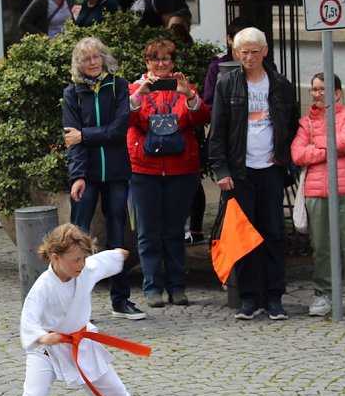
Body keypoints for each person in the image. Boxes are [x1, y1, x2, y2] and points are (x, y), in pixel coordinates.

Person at [0, 224, 159, 396]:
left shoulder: (85, 270)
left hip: (81, 343)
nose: (81, 264)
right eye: (76, 259)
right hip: (46, 350)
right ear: (55, 257)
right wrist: (42, 338)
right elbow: (28, 321)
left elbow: (100, 262)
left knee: (116, 392)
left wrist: (118, 255)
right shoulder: (42, 288)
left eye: (83, 258)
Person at [208, 27, 299, 321]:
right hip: (240, 172)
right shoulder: (227, 84)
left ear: (265, 52)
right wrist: (221, 169)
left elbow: (292, 127)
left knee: (273, 234)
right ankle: (248, 298)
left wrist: (284, 160)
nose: (248, 57)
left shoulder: (281, 85)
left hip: (270, 170)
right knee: (243, 237)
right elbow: (218, 130)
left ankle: (274, 297)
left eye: (254, 52)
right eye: (243, 52)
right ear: (236, 53)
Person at [63, 37, 143, 320]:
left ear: (104, 58)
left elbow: (119, 129)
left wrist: (85, 134)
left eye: (97, 56)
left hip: (118, 173)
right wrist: (78, 176)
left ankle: (120, 300)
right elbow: (72, 141)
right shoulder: (72, 92)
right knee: (77, 238)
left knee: (117, 235)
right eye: (86, 59)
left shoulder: (119, 85)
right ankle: (74, 305)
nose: (93, 62)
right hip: (88, 175)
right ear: (79, 64)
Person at [127, 38, 209, 308]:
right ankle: (152, 287)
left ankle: (177, 287)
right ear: (146, 62)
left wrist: (190, 96)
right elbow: (125, 119)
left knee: (174, 231)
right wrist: (141, 94)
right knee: (148, 231)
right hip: (145, 168)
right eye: (155, 59)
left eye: (166, 59)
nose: (161, 64)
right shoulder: (135, 88)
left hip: (180, 168)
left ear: (173, 62)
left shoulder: (184, 86)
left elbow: (202, 117)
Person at [291, 73, 345, 318]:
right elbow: (297, 154)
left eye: (322, 89)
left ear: (337, 93)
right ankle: (322, 294)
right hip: (317, 190)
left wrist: (317, 145)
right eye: (313, 89)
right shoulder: (306, 122)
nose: (316, 94)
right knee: (321, 248)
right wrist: (327, 148)